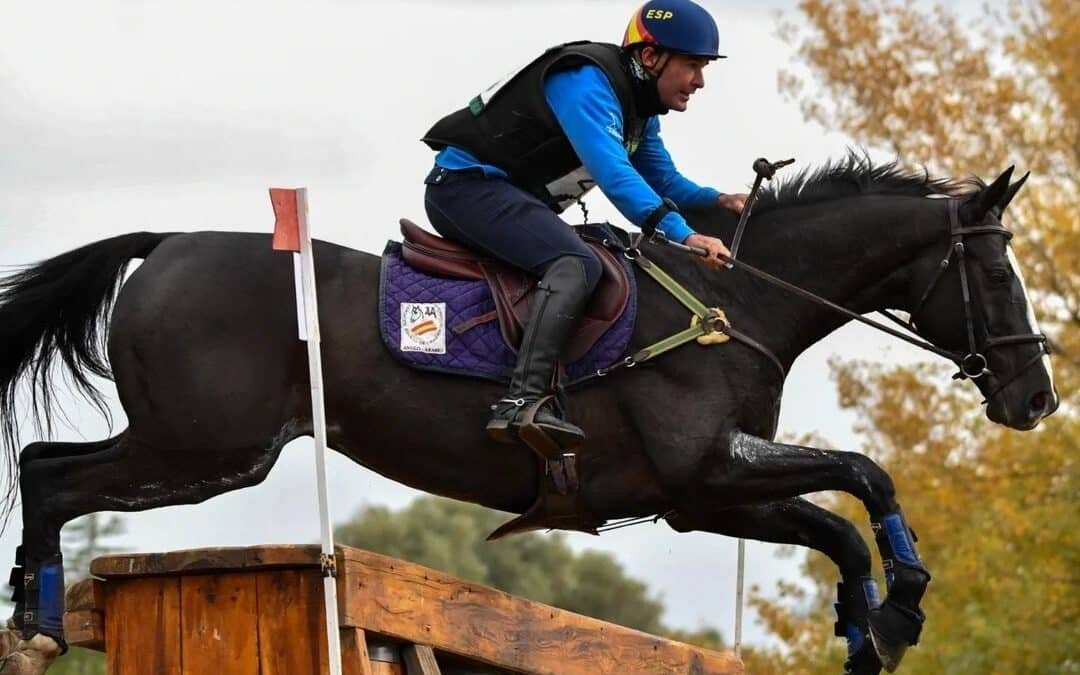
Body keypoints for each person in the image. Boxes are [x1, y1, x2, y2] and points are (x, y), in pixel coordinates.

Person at [421, 0, 747, 450]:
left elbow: (665, 179)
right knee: (575, 263)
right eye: (692, 65)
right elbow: (616, 176)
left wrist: (719, 199)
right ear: (650, 57)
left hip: (502, 196)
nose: (700, 81)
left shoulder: (640, 109)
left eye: (703, 68)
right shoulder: (586, 82)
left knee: (599, 256)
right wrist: (685, 236)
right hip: (464, 188)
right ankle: (521, 401)